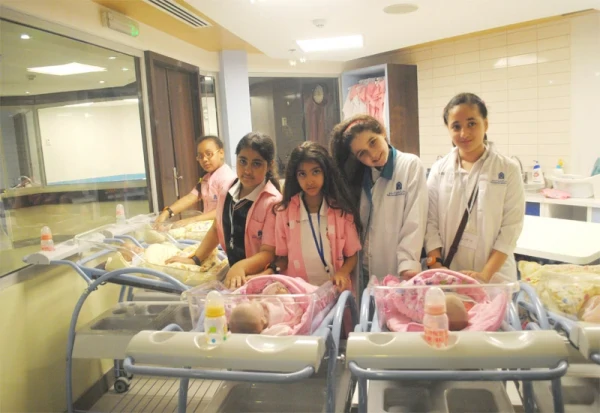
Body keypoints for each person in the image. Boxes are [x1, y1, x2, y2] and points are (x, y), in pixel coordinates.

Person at [425, 93, 525, 283]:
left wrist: (485, 275)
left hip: (495, 278)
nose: (464, 133)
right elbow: (430, 223)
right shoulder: (439, 170)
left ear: (485, 124)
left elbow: (511, 228)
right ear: (448, 129)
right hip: (450, 274)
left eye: (471, 123)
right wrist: (436, 266)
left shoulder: (507, 169)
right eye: (456, 126)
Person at [166, 132, 282, 288]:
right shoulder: (227, 189)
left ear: (269, 165)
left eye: (256, 164)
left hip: (260, 278)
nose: (247, 170)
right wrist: (195, 259)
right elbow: (216, 229)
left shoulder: (272, 202)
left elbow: (268, 252)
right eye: (242, 161)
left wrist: (241, 267)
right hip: (235, 273)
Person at [330, 115, 428, 291]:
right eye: (362, 154)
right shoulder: (362, 176)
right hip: (364, 268)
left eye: (373, 142)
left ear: (382, 132)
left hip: (398, 269)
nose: (373, 155)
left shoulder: (410, 165)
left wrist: (408, 264)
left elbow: (415, 221)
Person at [264, 142, 361, 292]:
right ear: (295, 177)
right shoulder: (285, 212)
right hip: (300, 292)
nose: (309, 181)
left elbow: (352, 255)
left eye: (316, 172)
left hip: (335, 291)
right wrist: (270, 271)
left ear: (326, 172)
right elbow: (283, 258)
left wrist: (342, 273)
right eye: (302, 174)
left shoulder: (341, 211)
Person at [155, 135, 235, 228]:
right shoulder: (206, 177)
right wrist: (167, 212)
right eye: (200, 156)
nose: (204, 159)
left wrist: (192, 220)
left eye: (209, 154)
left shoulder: (228, 178)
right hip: (210, 227)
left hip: (225, 229)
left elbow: (225, 210)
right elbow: (190, 197)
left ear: (221, 153)